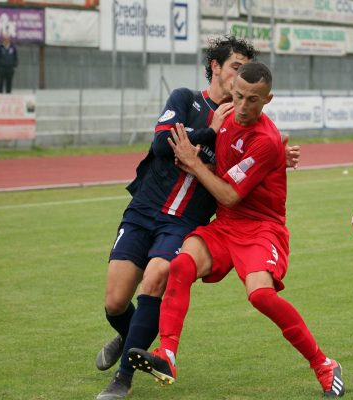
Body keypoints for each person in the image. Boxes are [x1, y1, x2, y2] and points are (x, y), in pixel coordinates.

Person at [95, 36, 300, 400]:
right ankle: (130, 337)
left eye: (246, 71)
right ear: (216, 68)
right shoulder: (185, 99)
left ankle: (123, 379)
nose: (241, 77)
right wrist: (208, 132)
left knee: (158, 275)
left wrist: (277, 158)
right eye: (236, 67)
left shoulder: (244, 121)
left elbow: (252, 161)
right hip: (144, 210)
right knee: (114, 301)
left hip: (185, 222)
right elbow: (162, 144)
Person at [128, 62, 346, 398]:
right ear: (232, 91)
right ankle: (167, 355)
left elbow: (228, 193)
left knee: (260, 295)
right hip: (227, 224)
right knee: (181, 265)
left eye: (253, 100)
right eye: (239, 96)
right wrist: (198, 155)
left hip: (262, 229)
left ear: (267, 99)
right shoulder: (225, 118)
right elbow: (219, 164)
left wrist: (194, 160)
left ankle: (323, 364)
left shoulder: (266, 139)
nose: (243, 106)